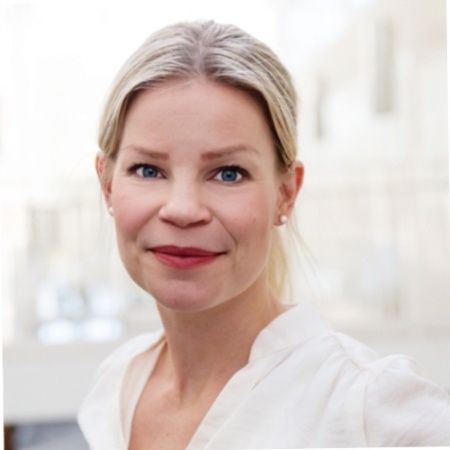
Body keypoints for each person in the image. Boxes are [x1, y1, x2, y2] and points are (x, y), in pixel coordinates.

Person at [78, 20, 450, 449]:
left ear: (286, 194)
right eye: (148, 170)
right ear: (107, 183)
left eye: (228, 173)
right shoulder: (114, 387)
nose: (182, 209)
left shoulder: (368, 406)